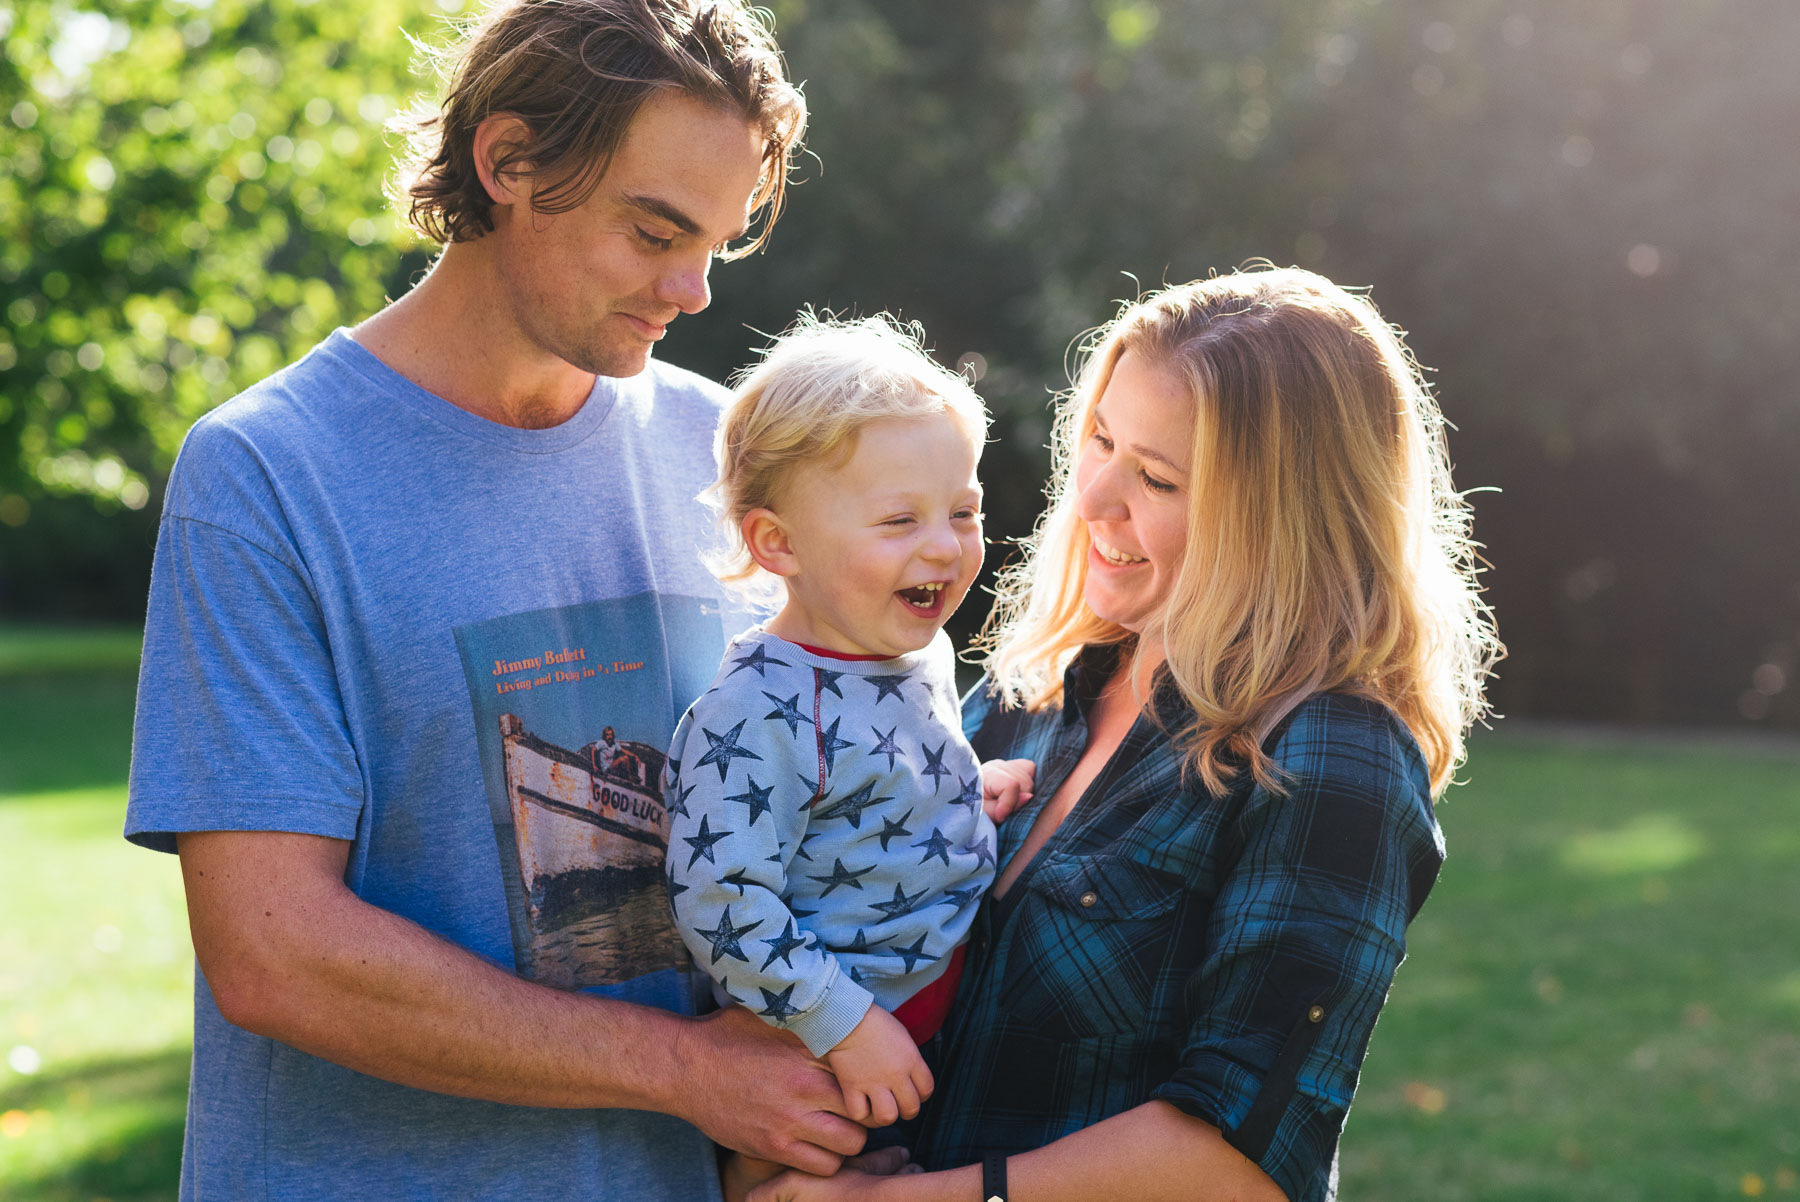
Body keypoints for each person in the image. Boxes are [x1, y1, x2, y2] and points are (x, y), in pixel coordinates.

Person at [122, 2, 880, 1198]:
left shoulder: (723, 452)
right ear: (510, 161)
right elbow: (274, 952)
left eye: (719, 246)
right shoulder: (268, 472)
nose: (691, 289)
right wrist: (686, 1070)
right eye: (653, 231)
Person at [746, 267, 1502, 1202]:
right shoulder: (1028, 696)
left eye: (1156, 477)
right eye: (1100, 439)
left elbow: (1242, 1156)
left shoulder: (1330, 759)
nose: (1095, 495)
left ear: (1281, 521)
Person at [662, 316, 1033, 1199]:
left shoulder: (909, 650)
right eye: (900, 519)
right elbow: (720, 899)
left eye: (963, 511)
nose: (945, 545)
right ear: (778, 544)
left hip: (913, 1019)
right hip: (814, 1048)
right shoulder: (753, 713)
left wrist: (959, 792)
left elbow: (868, 784)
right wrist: (844, 1025)